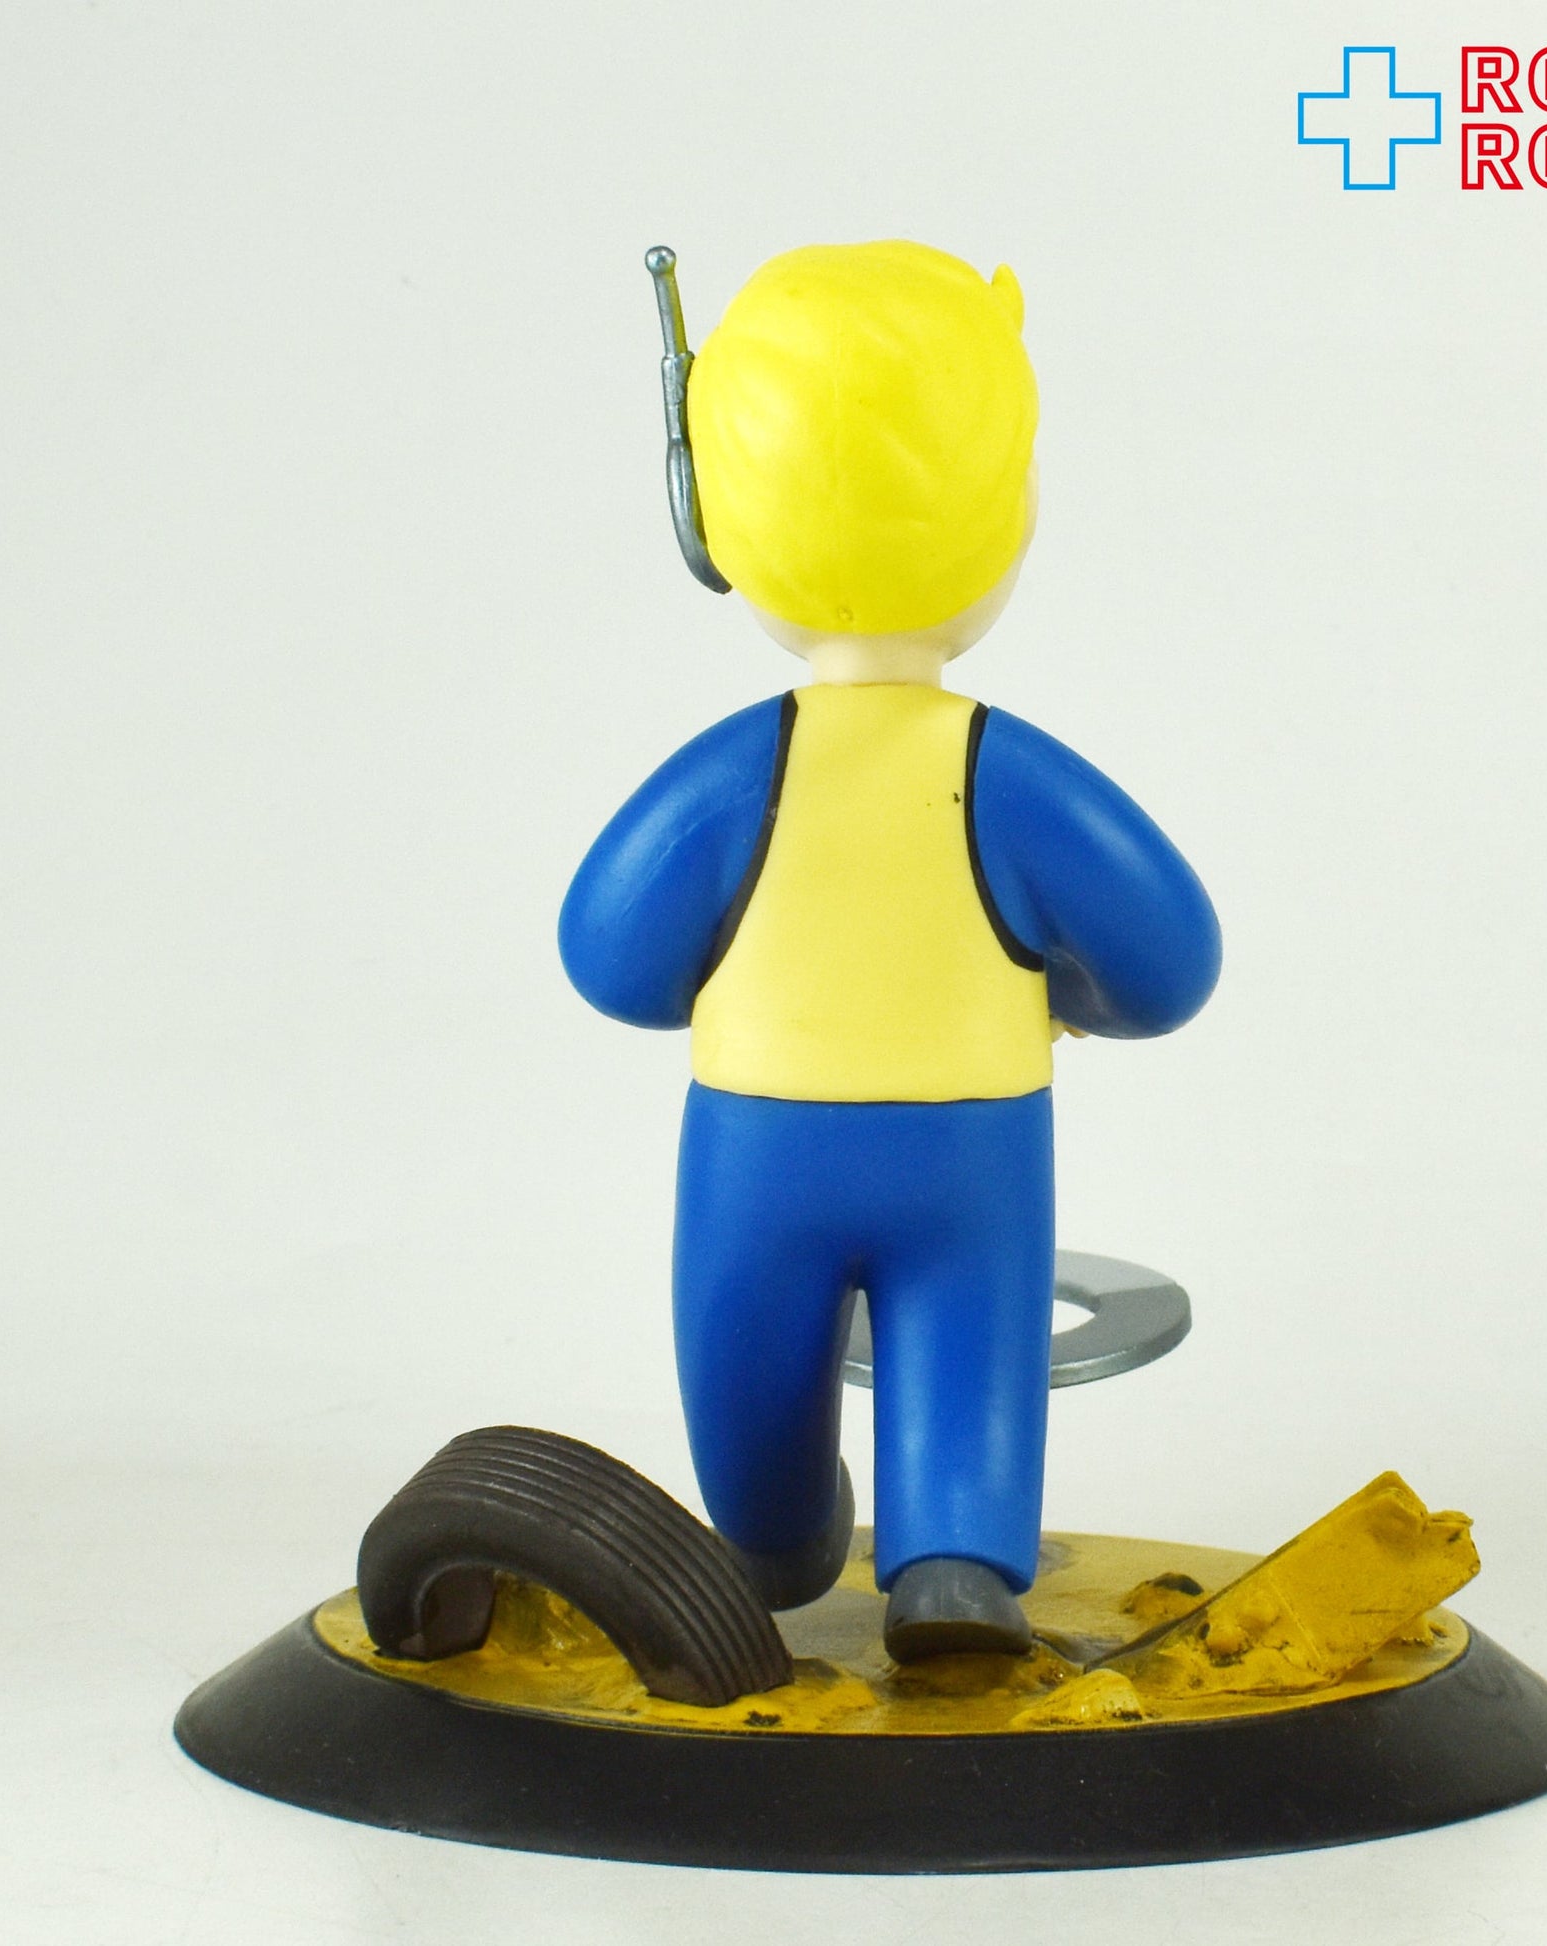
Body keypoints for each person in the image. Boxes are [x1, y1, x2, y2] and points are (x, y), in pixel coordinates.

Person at [562, 241, 1218, 1660]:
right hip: (972, 1149)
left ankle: (772, 1533)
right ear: (1013, 513)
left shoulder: (736, 770)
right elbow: (1170, 962)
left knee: (745, 1358)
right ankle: (955, 1568)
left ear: (708, 527)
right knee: (973, 1331)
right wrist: (1061, 994)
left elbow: (609, 958)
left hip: (754, 1150)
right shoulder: (1006, 771)